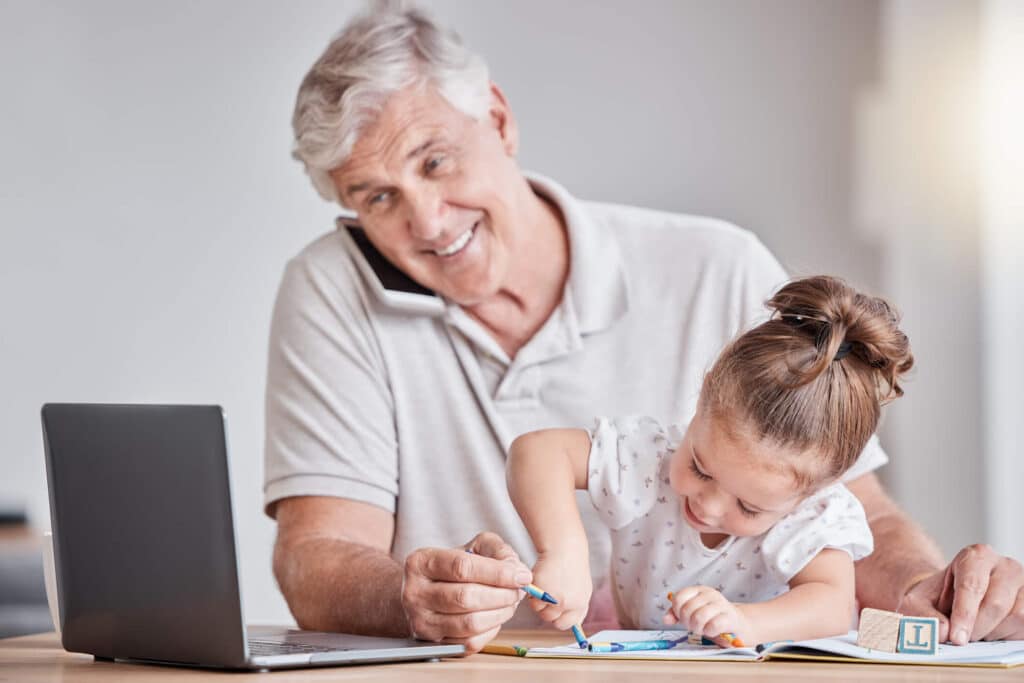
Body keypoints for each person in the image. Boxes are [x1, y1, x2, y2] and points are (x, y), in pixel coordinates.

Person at [264, 3, 1024, 653]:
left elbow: (859, 517)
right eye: (376, 198)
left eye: (435, 162)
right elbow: (315, 555)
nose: (426, 222)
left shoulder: (716, 265)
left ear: (497, 119)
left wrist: (931, 593)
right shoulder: (331, 287)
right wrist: (412, 594)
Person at [507, 276, 910, 644]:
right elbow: (537, 452)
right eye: (700, 467)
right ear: (699, 405)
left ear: (814, 491)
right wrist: (564, 550)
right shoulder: (646, 459)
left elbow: (832, 608)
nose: (709, 505)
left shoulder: (813, 513)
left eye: (749, 506)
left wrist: (747, 622)